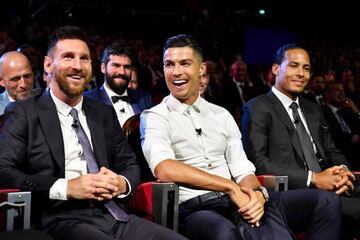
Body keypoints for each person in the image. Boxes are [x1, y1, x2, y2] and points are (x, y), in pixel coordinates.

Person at [140, 34, 342, 240]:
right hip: (197, 208)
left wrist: (257, 195)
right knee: (228, 232)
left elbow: (241, 167)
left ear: (201, 69)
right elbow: (165, 168)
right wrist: (228, 187)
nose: (176, 72)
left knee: (325, 201)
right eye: (169, 64)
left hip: (239, 198)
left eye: (184, 63)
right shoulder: (155, 116)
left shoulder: (221, 114)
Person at [0, 26, 186, 240]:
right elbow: (4, 169)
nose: (78, 66)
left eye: (84, 58)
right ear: (48, 64)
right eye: (68, 57)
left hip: (115, 215)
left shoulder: (103, 112)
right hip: (60, 218)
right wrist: (66, 187)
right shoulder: (24, 112)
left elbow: (130, 163)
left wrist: (121, 183)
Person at [241, 43, 360, 239]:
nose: (301, 73)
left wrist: (343, 172)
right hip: (293, 192)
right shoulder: (258, 107)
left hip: (331, 185)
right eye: (293, 66)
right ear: (276, 69)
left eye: (306, 68)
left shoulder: (313, 108)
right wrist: (314, 178)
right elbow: (258, 162)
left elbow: (332, 151)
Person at [85, 43, 152, 126]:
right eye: (116, 66)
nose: (122, 72)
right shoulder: (88, 100)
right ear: (103, 68)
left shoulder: (144, 98)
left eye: (127, 67)